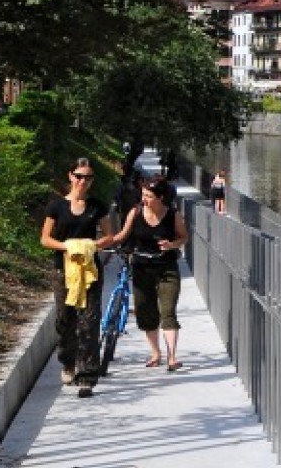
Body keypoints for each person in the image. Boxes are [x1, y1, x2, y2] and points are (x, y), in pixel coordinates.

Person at [39, 157, 115, 398]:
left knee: (90, 321)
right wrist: (68, 247)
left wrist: (91, 245)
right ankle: (68, 362)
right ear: (70, 176)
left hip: (90, 271)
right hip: (64, 271)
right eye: (79, 176)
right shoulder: (56, 206)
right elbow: (45, 239)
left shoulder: (97, 206)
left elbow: (109, 237)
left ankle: (87, 375)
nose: (83, 181)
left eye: (88, 177)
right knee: (65, 319)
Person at [109, 178, 188, 371]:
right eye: (143, 195)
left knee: (168, 311)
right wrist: (100, 244)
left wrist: (172, 245)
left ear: (160, 198)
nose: (144, 199)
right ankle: (156, 353)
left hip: (166, 267)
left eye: (149, 196)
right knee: (146, 312)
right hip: (142, 267)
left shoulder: (172, 215)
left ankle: (172, 357)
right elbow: (122, 235)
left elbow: (184, 237)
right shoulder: (135, 213)